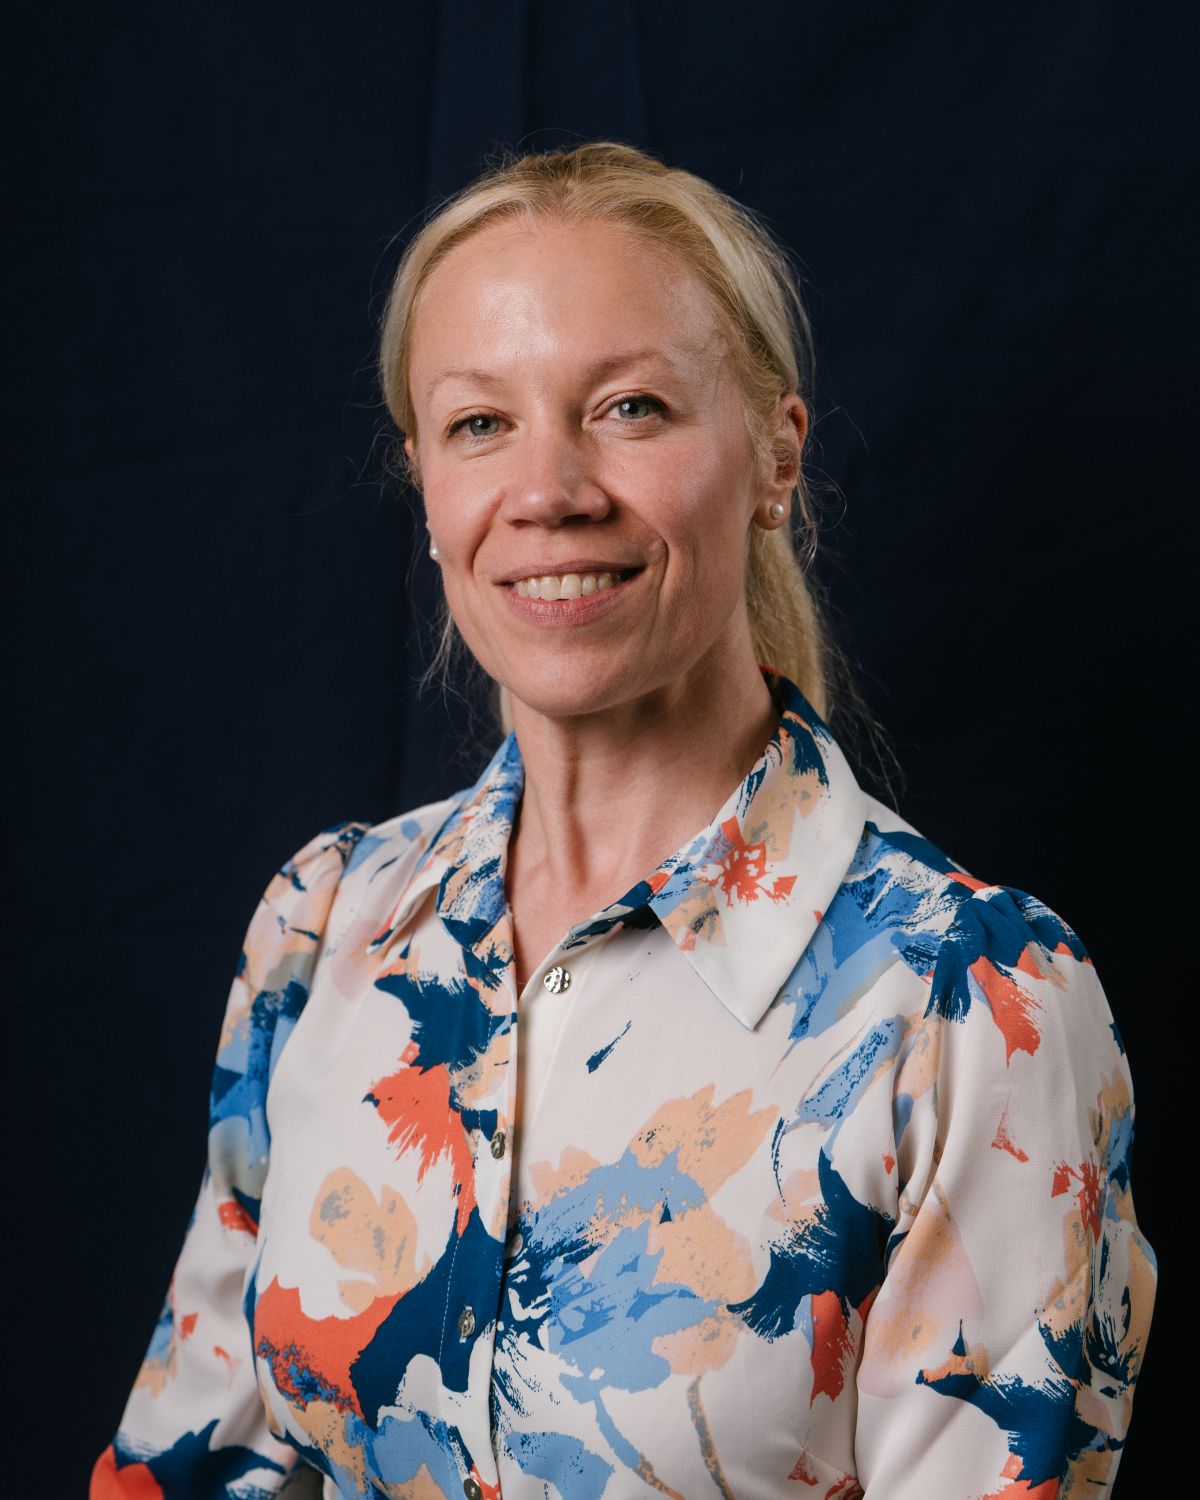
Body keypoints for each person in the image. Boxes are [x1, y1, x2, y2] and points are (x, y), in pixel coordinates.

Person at [94, 141, 1154, 1500]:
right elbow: (192, 1464)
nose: (550, 489)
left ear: (779, 453)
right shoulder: (321, 929)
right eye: (481, 424)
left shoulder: (976, 1011)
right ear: (425, 488)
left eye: (632, 408)